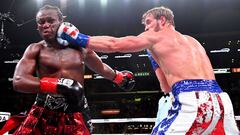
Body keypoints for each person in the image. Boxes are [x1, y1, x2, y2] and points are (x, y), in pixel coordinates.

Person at [56, 6, 239, 134]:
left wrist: (77, 37)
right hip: (221, 101)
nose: (146, 27)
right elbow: (168, 88)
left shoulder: (156, 37)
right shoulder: (193, 41)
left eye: (149, 22)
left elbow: (115, 44)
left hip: (194, 99)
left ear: (162, 20)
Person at [1, 5, 135, 135]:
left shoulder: (80, 48)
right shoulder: (35, 49)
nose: (46, 25)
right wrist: (58, 85)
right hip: (44, 110)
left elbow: (100, 67)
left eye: (51, 21)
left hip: (77, 112)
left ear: (61, 22)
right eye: (41, 22)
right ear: (37, 27)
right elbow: (19, 81)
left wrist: (119, 78)